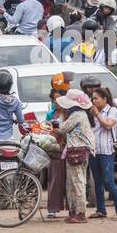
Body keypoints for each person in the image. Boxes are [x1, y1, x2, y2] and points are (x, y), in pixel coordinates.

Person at [52, 89, 95, 224]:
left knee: (77, 182)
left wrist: (59, 120)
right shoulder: (77, 114)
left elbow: (63, 128)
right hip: (75, 149)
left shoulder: (77, 115)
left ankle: (80, 213)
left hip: (78, 150)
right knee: (71, 183)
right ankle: (73, 211)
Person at [88, 85, 117, 220]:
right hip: (94, 151)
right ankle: (101, 210)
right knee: (98, 182)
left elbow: (108, 125)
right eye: (93, 99)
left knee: (109, 181)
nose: (94, 101)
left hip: (107, 151)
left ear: (105, 99)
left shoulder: (112, 110)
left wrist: (97, 114)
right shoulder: (91, 112)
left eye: (96, 98)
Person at [45, 71, 72, 218]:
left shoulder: (71, 113)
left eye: (59, 99)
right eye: (54, 99)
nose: (56, 102)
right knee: (55, 179)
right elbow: (47, 129)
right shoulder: (51, 114)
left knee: (71, 180)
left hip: (70, 148)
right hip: (55, 149)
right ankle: (52, 209)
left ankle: (72, 208)